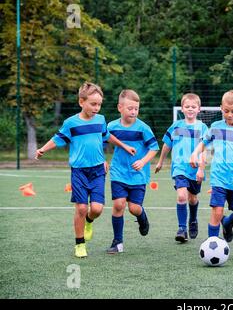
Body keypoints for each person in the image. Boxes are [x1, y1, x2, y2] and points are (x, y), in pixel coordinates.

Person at [35, 82, 136, 258]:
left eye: (99, 104)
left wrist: (124, 146)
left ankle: (89, 221)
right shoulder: (71, 123)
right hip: (79, 172)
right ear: (81, 102)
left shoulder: (101, 120)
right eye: (93, 104)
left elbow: (106, 136)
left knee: (96, 209)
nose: (97, 108)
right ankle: (80, 244)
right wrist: (43, 149)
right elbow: (57, 138)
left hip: (98, 170)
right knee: (81, 208)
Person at [190, 90, 233, 243]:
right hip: (219, 178)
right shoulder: (215, 126)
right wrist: (194, 153)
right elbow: (203, 143)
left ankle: (227, 223)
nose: (230, 115)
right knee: (217, 211)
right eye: (226, 111)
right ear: (221, 108)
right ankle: (212, 242)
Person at [106, 89, 160, 254]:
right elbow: (100, 141)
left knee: (134, 208)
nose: (133, 111)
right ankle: (117, 242)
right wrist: (102, 160)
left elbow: (154, 148)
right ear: (120, 108)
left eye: (136, 108)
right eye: (130, 108)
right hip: (119, 172)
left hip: (138, 175)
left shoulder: (143, 128)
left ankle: (142, 217)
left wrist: (143, 162)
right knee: (118, 204)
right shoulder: (111, 126)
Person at [155, 93, 208, 243]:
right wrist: (160, 162)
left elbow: (204, 150)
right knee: (181, 196)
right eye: (187, 106)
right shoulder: (176, 126)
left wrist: (201, 169)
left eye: (193, 107)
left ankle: (193, 219)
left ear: (199, 109)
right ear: (182, 109)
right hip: (179, 167)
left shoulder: (203, 128)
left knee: (193, 198)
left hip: (195, 169)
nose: (190, 109)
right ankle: (182, 229)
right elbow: (167, 145)